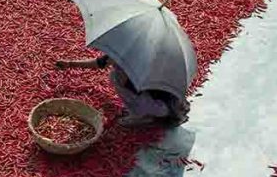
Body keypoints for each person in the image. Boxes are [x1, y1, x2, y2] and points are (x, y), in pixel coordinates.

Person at [55, 54, 189, 127]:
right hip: (170, 101)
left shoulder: (134, 58)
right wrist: (70, 63)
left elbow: (138, 87)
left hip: (161, 106)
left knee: (116, 76)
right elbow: (100, 63)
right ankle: (147, 110)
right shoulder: (154, 53)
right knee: (120, 74)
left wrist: (123, 70)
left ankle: (141, 116)